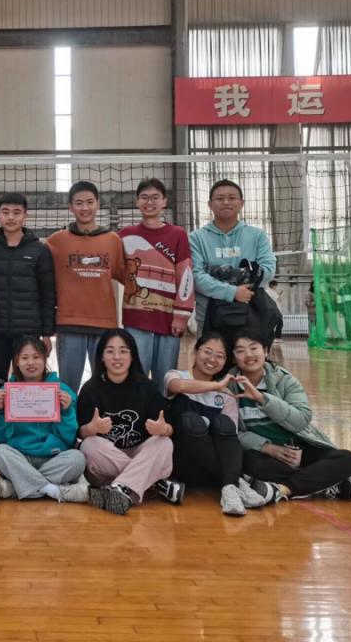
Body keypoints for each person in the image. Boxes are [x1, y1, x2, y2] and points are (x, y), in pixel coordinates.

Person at [230, 332, 351, 500]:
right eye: (240, 351)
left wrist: (262, 399)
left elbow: (301, 420)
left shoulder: (285, 380)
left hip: (296, 451)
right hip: (264, 455)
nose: (248, 355)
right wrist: (268, 448)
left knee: (348, 459)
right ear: (234, 357)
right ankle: (323, 484)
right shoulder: (229, 386)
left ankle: (282, 489)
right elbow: (232, 432)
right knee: (248, 462)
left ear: (266, 351)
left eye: (254, 348)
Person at [163, 332, 276, 516]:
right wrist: (216, 386)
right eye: (207, 352)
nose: (212, 359)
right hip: (182, 462)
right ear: (195, 352)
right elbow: (179, 387)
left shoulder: (226, 396)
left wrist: (221, 390)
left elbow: (230, 439)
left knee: (224, 423)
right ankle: (236, 481)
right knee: (191, 420)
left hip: (210, 469)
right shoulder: (176, 375)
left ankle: (230, 487)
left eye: (220, 356)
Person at [76, 328, 175, 515]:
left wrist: (164, 429)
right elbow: (80, 434)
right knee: (89, 445)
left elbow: (170, 429)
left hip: (139, 452)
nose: (117, 357)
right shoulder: (90, 389)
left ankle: (120, 489)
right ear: (101, 356)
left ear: (132, 356)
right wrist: (91, 428)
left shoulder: (147, 387)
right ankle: (152, 483)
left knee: (164, 443)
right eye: (110, 351)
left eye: (123, 351)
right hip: (106, 462)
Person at [46, 181, 128, 392]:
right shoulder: (56, 241)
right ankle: (70, 417)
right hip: (69, 324)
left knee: (105, 388)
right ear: (70, 207)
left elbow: (128, 277)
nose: (85, 208)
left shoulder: (113, 240)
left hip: (105, 325)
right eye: (79, 203)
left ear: (98, 204)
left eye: (90, 202)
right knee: (68, 390)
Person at [118, 178, 195, 390]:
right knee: (137, 380)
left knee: (165, 382)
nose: (149, 202)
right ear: (137, 202)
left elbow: (186, 276)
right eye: (144, 197)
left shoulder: (178, 234)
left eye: (155, 197)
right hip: (136, 319)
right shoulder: (124, 236)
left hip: (168, 320)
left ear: (164, 201)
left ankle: (163, 413)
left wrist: (181, 316)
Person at [0, 336, 88, 502]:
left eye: (36, 357)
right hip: (20, 456)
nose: (31, 363)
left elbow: (68, 438)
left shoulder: (62, 391)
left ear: (44, 359)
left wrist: (66, 412)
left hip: (53, 456)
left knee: (77, 459)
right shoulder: (7, 391)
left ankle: (15, 487)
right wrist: (0, 411)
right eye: (24, 358)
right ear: (17, 361)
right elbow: (2, 438)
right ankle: (53, 490)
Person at [0, 193, 56, 399]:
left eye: (16, 212)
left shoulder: (39, 250)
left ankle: (27, 422)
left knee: (28, 389)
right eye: (5, 212)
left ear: (25, 216)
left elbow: (48, 295)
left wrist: (47, 334)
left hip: (28, 332)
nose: (11, 217)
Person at [189, 179, 276, 334]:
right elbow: (196, 277)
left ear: (242, 203)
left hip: (251, 316)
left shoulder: (258, 236)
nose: (226, 202)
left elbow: (268, 271)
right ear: (210, 204)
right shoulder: (195, 238)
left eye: (232, 198)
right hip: (210, 319)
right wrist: (233, 292)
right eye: (220, 198)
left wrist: (215, 271)